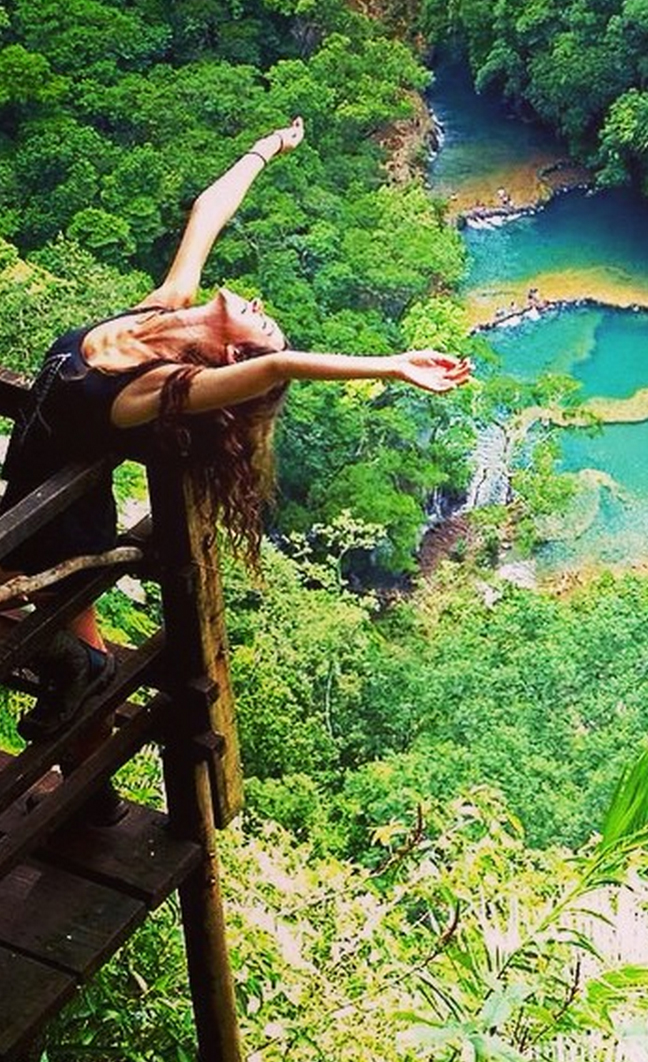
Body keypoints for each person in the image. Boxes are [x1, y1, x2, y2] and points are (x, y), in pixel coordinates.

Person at [1, 116, 471, 758]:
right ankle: (90, 766)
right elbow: (208, 211)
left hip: (57, 522)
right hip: (33, 500)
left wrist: (393, 364)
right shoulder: (163, 307)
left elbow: (278, 367)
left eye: (264, 325)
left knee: (69, 649)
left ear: (232, 356)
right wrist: (269, 147)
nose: (260, 307)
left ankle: (87, 765)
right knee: (79, 657)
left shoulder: (160, 384)